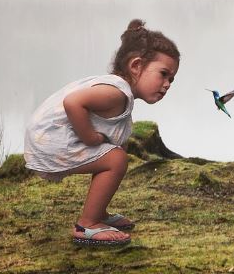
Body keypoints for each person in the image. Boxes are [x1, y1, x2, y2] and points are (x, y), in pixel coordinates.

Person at [24, 19, 180, 246]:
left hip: (45, 136)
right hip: (48, 140)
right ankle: (87, 224)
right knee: (116, 160)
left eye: (172, 79)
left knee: (115, 153)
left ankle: (98, 213)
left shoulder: (118, 90)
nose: (167, 84)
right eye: (163, 74)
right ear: (136, 66)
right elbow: (73, 102)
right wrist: (89, 137)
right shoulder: (116, 93)